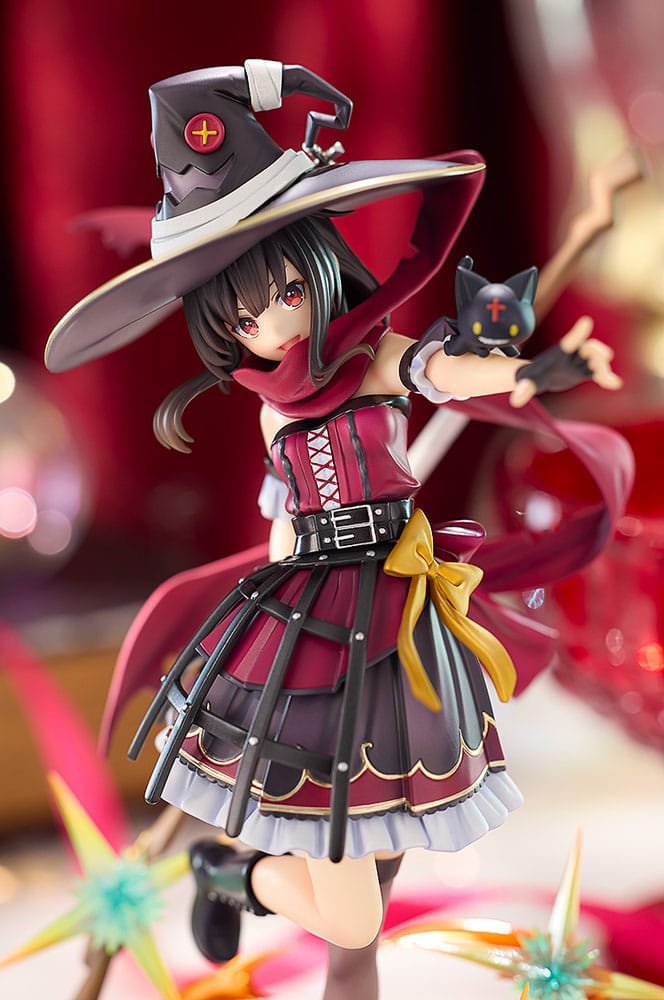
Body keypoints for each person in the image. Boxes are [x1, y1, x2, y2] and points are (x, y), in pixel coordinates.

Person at [45, 60, 630, 1000]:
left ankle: (294, 933)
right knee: (353, 906)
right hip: (310, 626)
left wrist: (530, 375)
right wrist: (253, 633)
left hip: (397, 617)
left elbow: (447, 371)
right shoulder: (271, 412)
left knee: (378, 856)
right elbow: (284, 518)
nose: (271, 327)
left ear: (318, 265)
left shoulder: (375, 357)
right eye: (242, 318)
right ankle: (235, 876)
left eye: (282, 292)